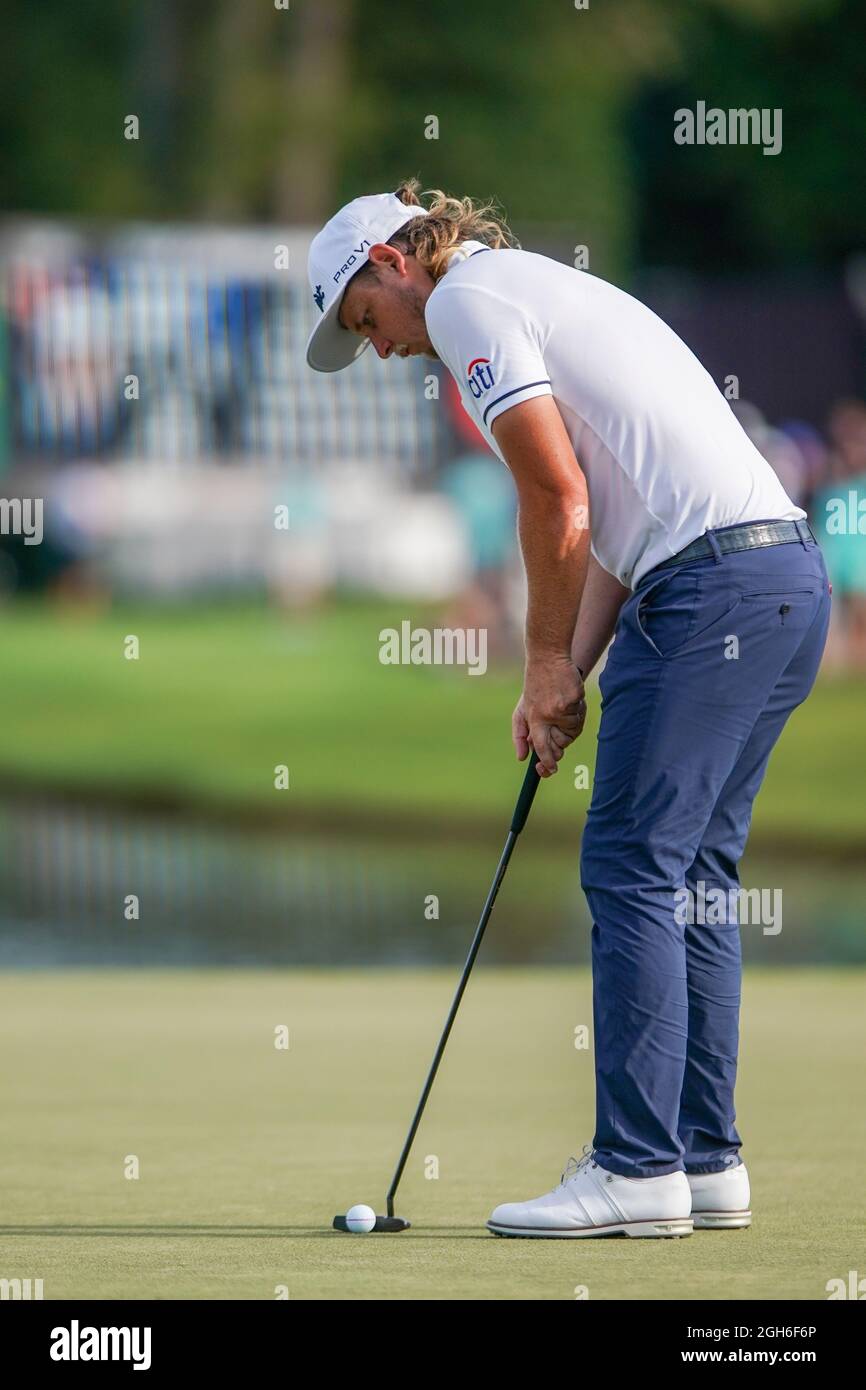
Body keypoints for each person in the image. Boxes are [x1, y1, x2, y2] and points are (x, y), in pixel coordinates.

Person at [306, 181, 832, 1239]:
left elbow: (555, 499)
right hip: (780, 582)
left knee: (631, 865)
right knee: (689, 873)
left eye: (366, 320)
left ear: (392, 263)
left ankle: (636, 1170)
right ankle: (701, 1157)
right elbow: (610, 527)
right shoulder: (536, 288)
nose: (382, 347)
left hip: (705, 591)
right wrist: (563, 678)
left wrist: (542, 654)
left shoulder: (464, 305)